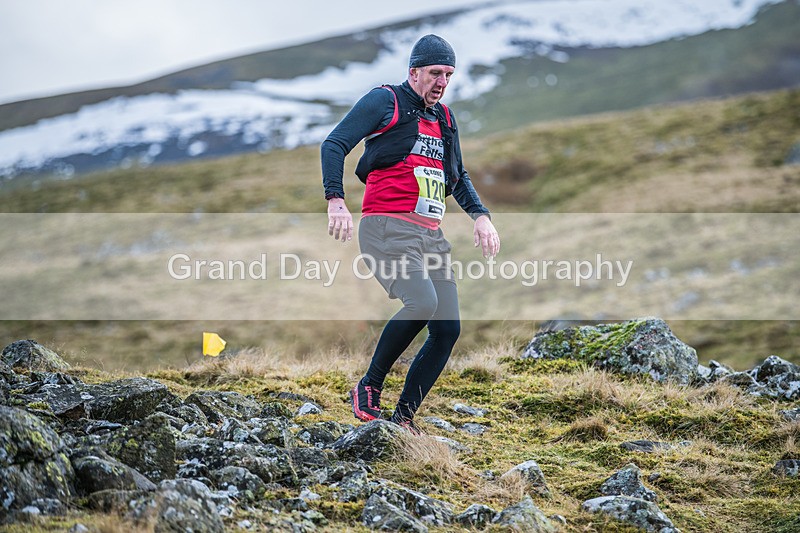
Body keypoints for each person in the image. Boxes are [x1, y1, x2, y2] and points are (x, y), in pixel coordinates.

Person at [320, 34, 500, 434]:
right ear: (413, 71)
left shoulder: (445, 120)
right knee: (421, 302)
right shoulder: (385, 101)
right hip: (386, 227)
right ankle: (368, 385)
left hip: (429, 237)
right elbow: (334, 144)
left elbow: (456, 177)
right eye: (435, 73)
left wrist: (481, 216)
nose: (442, 82)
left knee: (448, 328)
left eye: (449, 75)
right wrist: (336, 200)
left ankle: (404, 420)